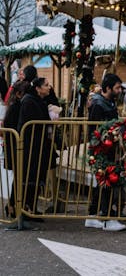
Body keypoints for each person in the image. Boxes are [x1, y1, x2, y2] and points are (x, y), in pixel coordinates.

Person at [85, 73, 126, 231]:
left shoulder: (108, 102)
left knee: (103, 182)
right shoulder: (99, 105)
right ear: (108, 88)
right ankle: (107, 217)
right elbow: (96, 129)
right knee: (108, 181)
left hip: (108, 148)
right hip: (102, 148)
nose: (119, 90)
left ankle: (93, 215)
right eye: (116, 88)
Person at [17, 77, 54, 220]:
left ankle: (31, 208)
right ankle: (25, 210)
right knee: (30, 178)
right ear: (38, 88)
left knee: (37, 178)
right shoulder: (29, 101)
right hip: (31, 147)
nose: (49, 87)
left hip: (39, 146)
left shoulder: (38, 101)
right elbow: (33, 124)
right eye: (46, 85)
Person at [3, 80, 29, 219]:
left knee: (19, 177)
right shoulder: (15, 107)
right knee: (19, 177)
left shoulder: (15, 105)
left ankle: (14, 205)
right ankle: (12, 205)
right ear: (19, 94)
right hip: (15, 146)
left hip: (15, 146)